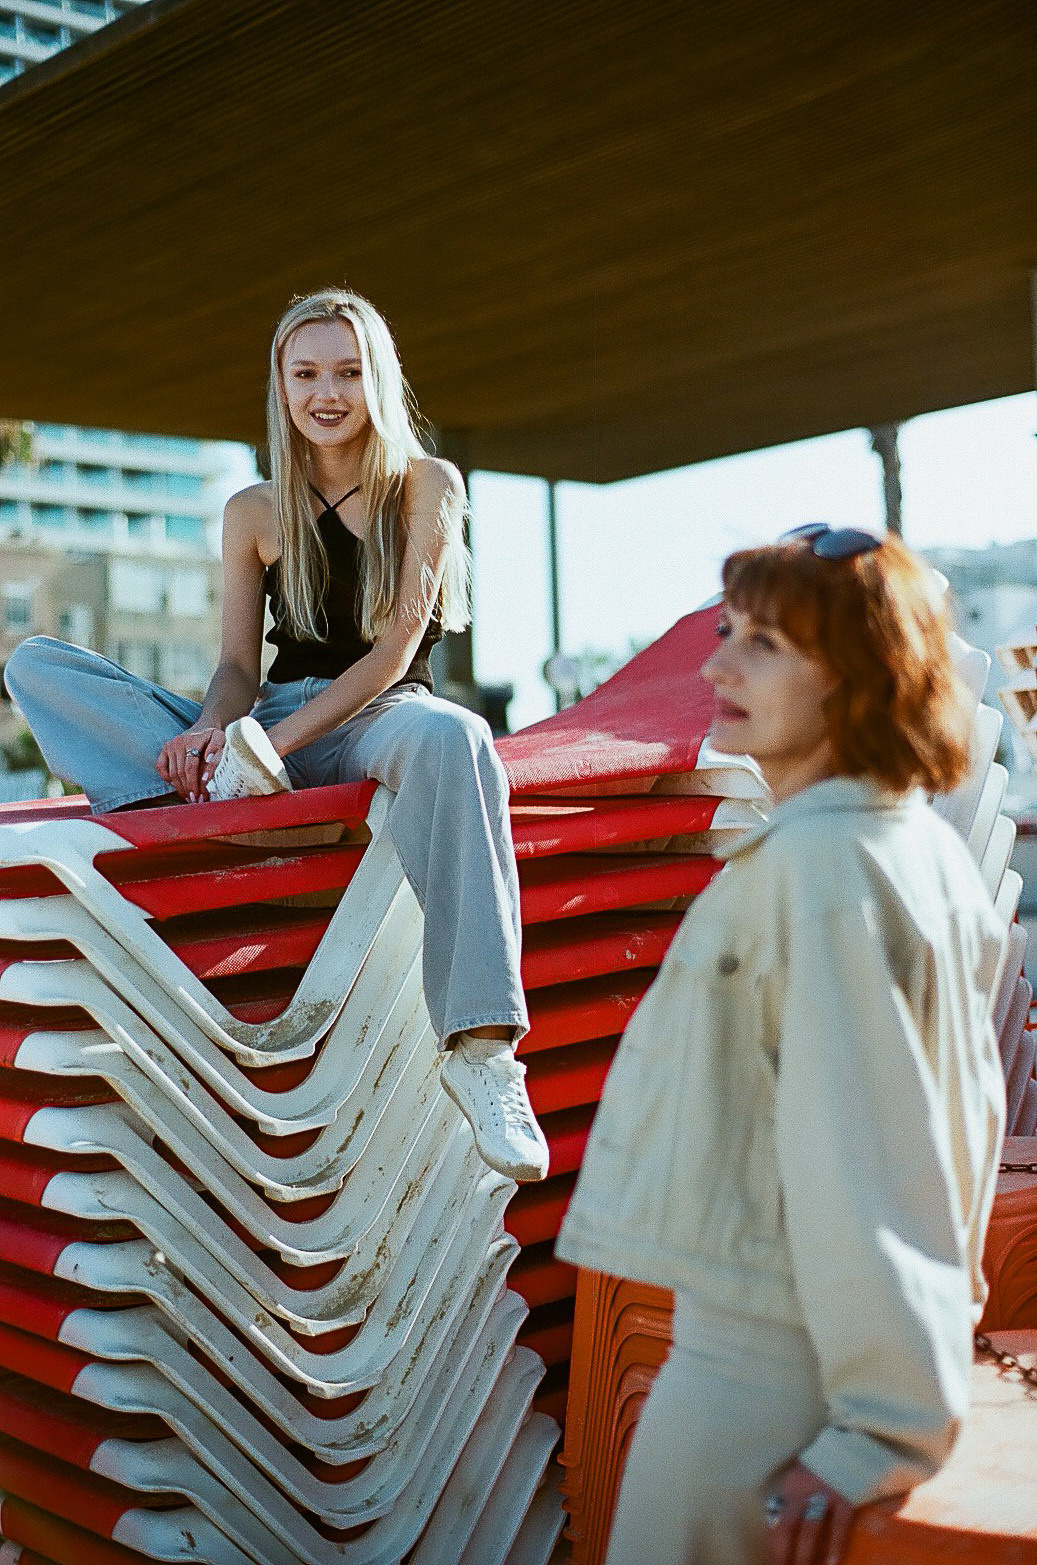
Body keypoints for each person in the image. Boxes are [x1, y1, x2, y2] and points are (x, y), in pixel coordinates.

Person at [4, 287, 549, 1183]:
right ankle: (188, 792)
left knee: (457, 736)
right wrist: (216, 731)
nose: (325, 391)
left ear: (379, 379)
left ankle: (483, 1049)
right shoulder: (253, 511)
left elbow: (394, 652)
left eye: (347, 370)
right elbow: (233, 669)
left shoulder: (427, 487)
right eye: (306, 373)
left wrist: (272, 748)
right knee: (37, 664)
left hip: (376, 715)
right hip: (264, 726)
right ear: (281, 386)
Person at [556, 525, 1007, 1564]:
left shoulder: (820, 872)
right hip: (821, 1364)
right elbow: (950, 1132)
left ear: (858, 672)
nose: (715, 664)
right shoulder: (915, 852)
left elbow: (862, 1158)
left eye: (762, 642)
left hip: (761, 1379)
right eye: (726, 633)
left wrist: (879, 1429)